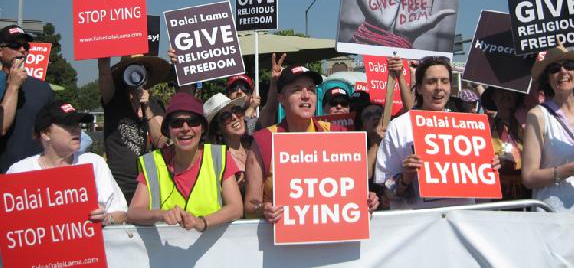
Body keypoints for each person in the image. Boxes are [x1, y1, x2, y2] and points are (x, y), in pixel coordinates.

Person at [244, 65, 379, 222]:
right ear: (281, 99)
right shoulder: (264, 141)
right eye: (296, 90)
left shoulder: (337, 134)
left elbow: (353, 190)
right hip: (283, 242)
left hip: (331, 238)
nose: (306, 95)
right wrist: (263, 209)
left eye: (311, 89)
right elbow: (249, 207)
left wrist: (367, 198)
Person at [375, 56, 500, 209]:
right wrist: (405, 178)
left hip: (463, 224)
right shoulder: (399, 126)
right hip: (420, 226)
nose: (439, 87)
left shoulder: (467, 126)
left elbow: (483, 197)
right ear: (419, 88)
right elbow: (386, 192)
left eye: (445, 81)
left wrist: (489, 169)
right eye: (431, 81)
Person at [127, 92, 243, 231]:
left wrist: (201, 222)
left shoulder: (220, 156)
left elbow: (236, 208)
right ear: (167, 129)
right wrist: (161, 214)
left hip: (212, 250)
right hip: (165, 250)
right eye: (177, 123)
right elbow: (133, 213)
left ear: (202, 128)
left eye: (193, 122)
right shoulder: (152, 162)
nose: (185, 128)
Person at [7, 100, 127, 225]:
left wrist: (108, 218)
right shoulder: (19, 172)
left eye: (78, 124)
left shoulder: (94, 163)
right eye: (68, 124)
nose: (77, 129)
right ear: (45, 134)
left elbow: (122, 214)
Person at [522, 46, 574, 235]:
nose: (563, 71)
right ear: (548, 79)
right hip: (557, 222)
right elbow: (529, 178)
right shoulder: (537, 116)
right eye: (554, 69)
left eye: (569, 65)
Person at [98, 54, 170, 203]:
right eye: (131, 68)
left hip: (148, 179)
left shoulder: (154, 104)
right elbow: (104, 72)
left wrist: (147, 107)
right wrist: (103, 57)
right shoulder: (114, 99)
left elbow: (161, 142)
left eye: (142, 69)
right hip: (118, 181)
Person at [0, 25, 54, 173]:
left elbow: (51, 133)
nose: (22, 50)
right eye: (15, 45)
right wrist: (13, 86)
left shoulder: (43, 89)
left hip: (35, 177)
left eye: (26, 45)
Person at [481, 86, 529, 200]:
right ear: (493, 97)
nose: (505, 97)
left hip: (527, 194)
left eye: (509, 92)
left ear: (516, 96)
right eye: (500, 92)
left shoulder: (526, 124)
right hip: (494, 195)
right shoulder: (484, 126)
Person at [205, 93, 250, 191]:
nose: (234, 117)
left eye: (236, 110)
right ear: (217, 129)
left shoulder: (255, 146)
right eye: (226, 116)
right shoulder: (216, 160)